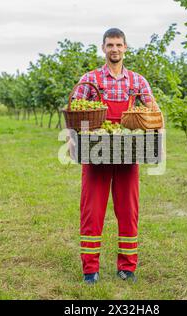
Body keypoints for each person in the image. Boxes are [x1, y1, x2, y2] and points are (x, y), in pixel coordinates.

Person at [68, 28, 160, 284]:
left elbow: (153, 111)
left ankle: (127, 267)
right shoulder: (91, 79)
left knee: (128, 210)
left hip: (128, 151)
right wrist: (72, 139)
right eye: (110, 45)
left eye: (119, 45)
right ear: (103, 48)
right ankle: (90, 269)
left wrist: (156, 135)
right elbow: (74, 111)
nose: (115, 49)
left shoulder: (138, 82)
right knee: (91, 211)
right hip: (96, 151)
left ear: (126, 48)